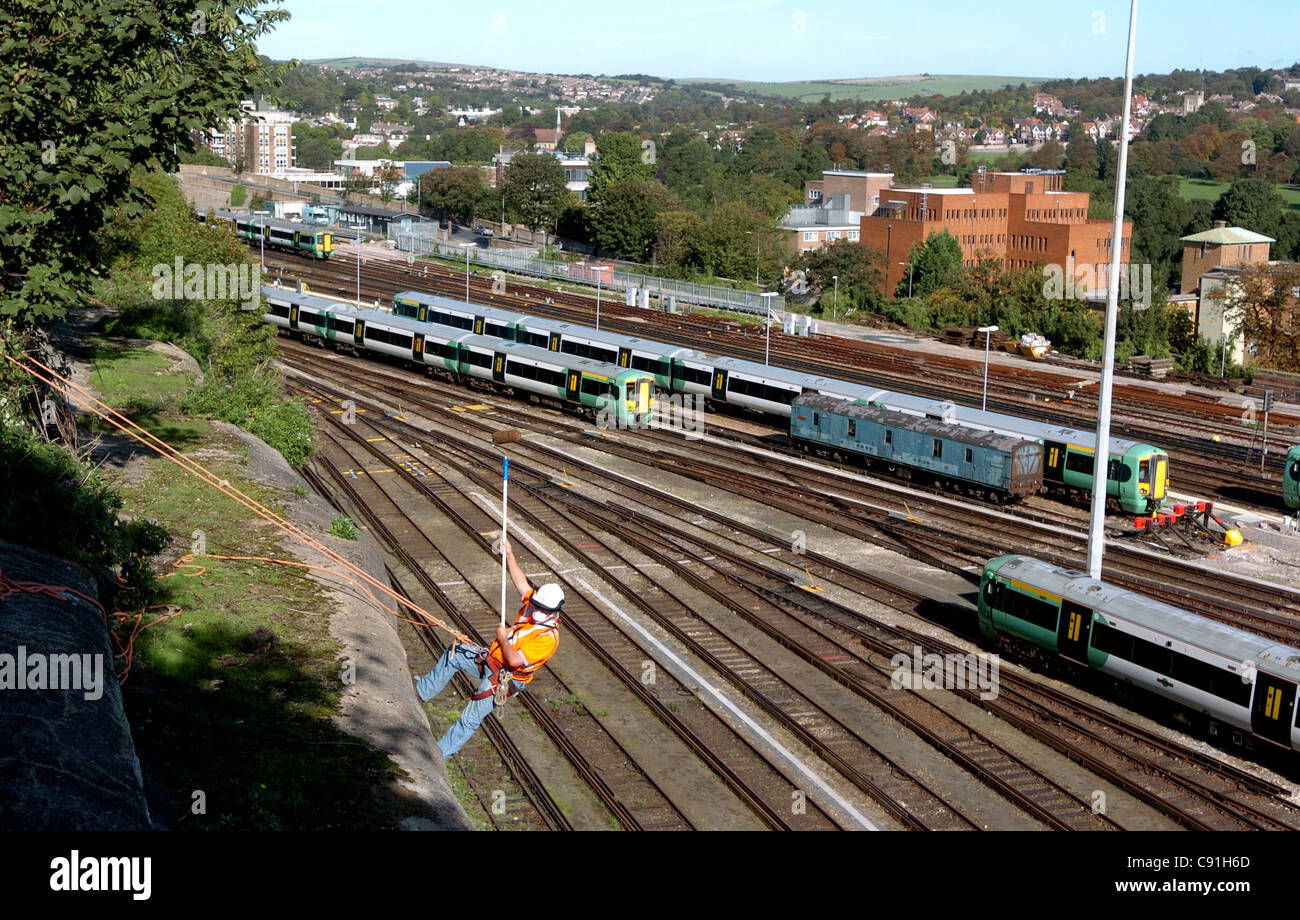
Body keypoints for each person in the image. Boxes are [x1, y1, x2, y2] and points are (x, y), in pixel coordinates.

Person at [414, 537, 563, 759]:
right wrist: (510, 555)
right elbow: (522, 584)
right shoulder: (534, 608)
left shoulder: (547, 638)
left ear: (552, 612)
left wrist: (502, 638)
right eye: (537, 605)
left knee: (470, 717)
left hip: (506, 677)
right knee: (455, 653)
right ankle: (421, 692)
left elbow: (514, 662)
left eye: (540, 607)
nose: (535, 609)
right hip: (492, 661)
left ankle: (436, 756)